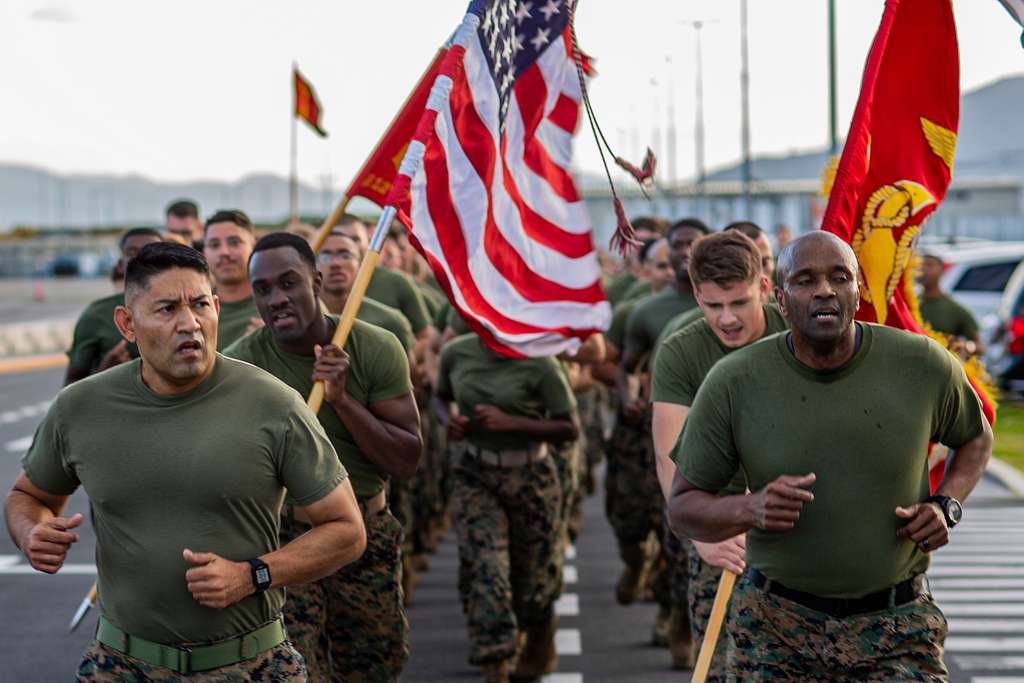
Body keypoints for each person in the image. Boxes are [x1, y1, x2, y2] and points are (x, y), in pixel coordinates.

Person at [5, 242, 366, 681]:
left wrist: (253, 575)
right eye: (167, 309)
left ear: (216, 307)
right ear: (127, 324)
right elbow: (29, 494)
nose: (189, 323)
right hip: (121, 666)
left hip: (250, 665)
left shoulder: (273, 404)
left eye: (199, 305)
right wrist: (31, 531)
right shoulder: (80, 408)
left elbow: (346, 530)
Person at [668, 232, 993, 681]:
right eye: (805, 280)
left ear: (857, 292)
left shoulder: (922, 365)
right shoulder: (734, 381)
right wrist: (750, 507)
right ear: (779, 299)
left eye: (839, 277)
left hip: (895, 627)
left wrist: (946, 504)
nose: (824, 290)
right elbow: (682, 508)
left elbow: (976, 437)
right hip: (775, 629)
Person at [226, 232, 420, 682]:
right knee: (298, 670)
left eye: (289, 283)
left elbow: (407, 459)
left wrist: (343, 400)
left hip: (363, 534)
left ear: (315, 281)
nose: (276, 298)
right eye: (263, 289)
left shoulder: (375, 347)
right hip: (285, 540)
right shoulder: (242, 368)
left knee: (373, 666)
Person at [650, 230, 788, 675]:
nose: (727, 319)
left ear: (764, 289)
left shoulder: (799, 332)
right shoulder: (681, 351)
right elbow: (668, 456)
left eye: (739, 303)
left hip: (801, 522)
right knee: (723, 665)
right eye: (713, 306)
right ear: (696, 296)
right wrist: (700, 534)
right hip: (721, 527)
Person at [435, 332, 579, 683]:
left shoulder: (541, 361)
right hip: (477, 474)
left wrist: (512, 423)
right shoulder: (457, 353)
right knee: (487, 570)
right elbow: (441, 397)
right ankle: (495, 662)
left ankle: (539, 634)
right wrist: (449, 421)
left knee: (532, 582)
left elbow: (569, 427)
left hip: (531, 477)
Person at [615, 218, 710, 653]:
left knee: (683, 539)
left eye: (694, 244)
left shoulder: (727, 308)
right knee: (642, 521)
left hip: (713, 444)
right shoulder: (648, 313)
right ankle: (648, 576)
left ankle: (678, 618)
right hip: (658, 433)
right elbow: (626, 365)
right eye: (678, 245)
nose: (685, 252)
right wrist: (627, 398)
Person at [64, 227, 164, 385]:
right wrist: (104, 372)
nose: (141, 259)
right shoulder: (97, 314)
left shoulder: (186, 310)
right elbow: (69, 388)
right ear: (119, 265)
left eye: (150, 252)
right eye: (132, 253)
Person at [316, 231, 416, 356]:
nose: (336, 263)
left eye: (345, 255)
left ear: (361, 266)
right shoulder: (298, 323)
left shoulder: (390, 322)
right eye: (325, 257)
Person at [203, 209, 261, 351]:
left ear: (253, 247)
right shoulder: (193, 311)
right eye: (214, 245)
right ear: (204, 253)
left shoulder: (276, 305)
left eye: (234, 242)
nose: (224, 252)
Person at [919, 252, 983, 354]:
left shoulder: (955, 309)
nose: (923, 270)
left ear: (942, 270)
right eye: (920, 265)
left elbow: (980, 346)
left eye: (929, 265)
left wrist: (966, 346)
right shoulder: (909, 306)